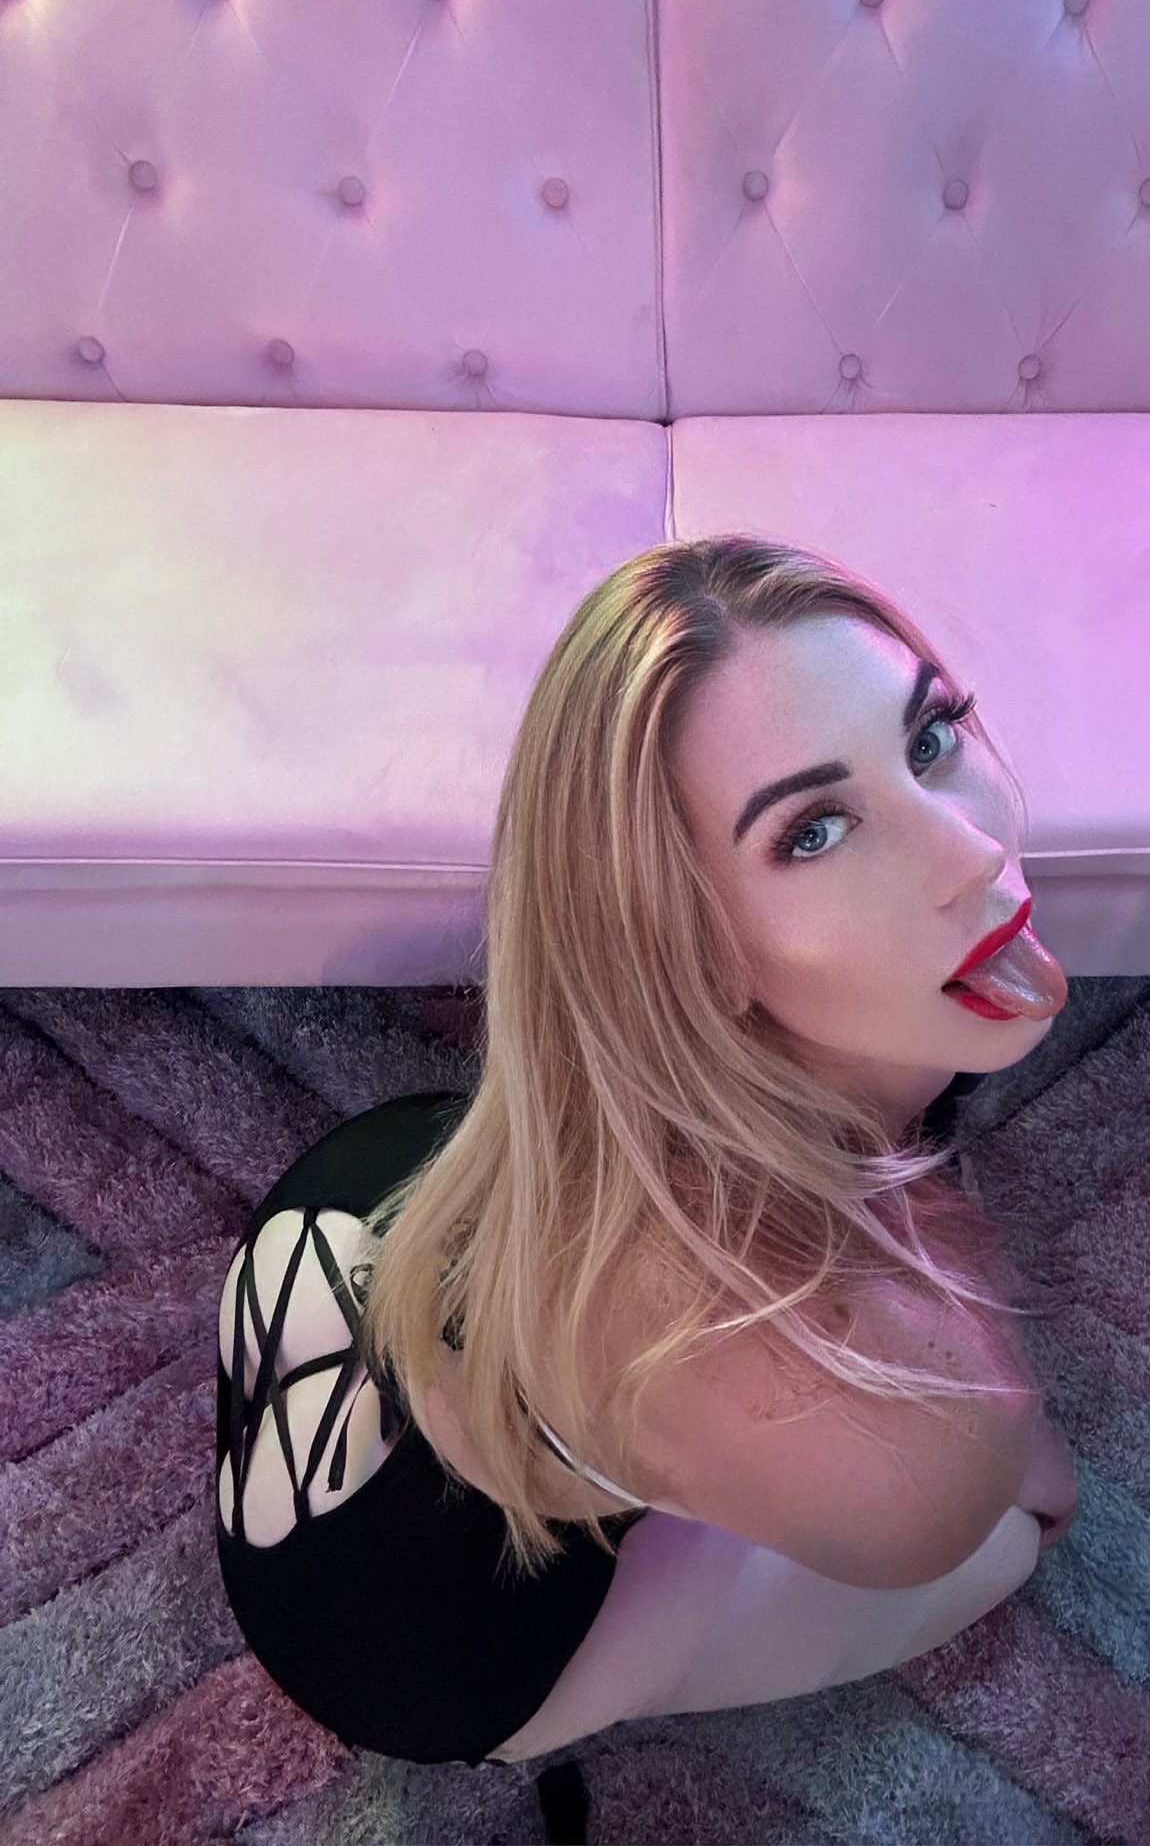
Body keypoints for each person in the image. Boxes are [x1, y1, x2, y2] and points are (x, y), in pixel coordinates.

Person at [213, 534, 1077, 1775]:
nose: (974, 853)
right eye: (815, 831)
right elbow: (989, 1467)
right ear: (676, 941)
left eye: (931, 738)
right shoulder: (891, 1424)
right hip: (405, 1625)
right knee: (1004, 1535)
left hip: (350, 1207)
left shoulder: (638, 1085)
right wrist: (1002, 1451)